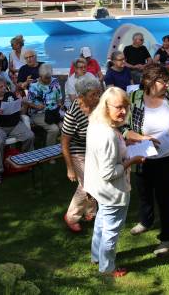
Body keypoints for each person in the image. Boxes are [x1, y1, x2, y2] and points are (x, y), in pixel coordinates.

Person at [124, 64, 169, 256]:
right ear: (150, 81)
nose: (167, 85)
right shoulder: (134, 98)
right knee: (144, 192)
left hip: (167, 156)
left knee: (165, 197)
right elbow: (123, 128)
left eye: (168, 81)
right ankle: (145, 221)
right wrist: (143, 138)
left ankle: (167, 237)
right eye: (163, 81)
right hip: (142, 155)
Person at [85, 87, 144, 277]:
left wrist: (126, 146)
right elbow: (109, 172)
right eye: (119, 107)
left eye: (126, 106)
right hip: (112, 191)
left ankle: (96, 257)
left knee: (101, 222)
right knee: (111, 231)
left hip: (99, 189)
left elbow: (104, 157)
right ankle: (107, 268)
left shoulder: (97, 123)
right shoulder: (108, 135)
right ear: (106, 106)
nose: (124, 111)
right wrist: (132, 161)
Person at [61, 77, 102, 232]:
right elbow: (64, 142)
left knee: (94, 181)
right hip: (78, 151)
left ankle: (90, 212)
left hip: (96, 150)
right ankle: (71, 216)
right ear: (81, 96)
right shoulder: (73, 113)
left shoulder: (98, 106)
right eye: (93, 95)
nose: (97, 97)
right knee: (88, 184)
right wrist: (70, 168)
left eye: (98, 93)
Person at [0, 76, 34, 184]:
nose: (4, 88)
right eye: (1, 87)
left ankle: (26, 161)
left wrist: (25, 104)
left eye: (5, 86)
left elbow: (21, 113)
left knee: (30, 136)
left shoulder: (10, 95)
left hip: (15, 124)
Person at [27, 64, 63, 146]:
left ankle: (62, 149)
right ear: (40, 76)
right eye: (46, 78)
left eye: (49, 77)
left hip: (54, 112)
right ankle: (49, 155)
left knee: (64, 127)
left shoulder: (55, 81)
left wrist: (59, 104)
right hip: (39, 113)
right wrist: (36, 106)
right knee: (54, 129)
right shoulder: (34, 85)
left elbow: (59, 97)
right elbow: (29, 102)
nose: (48, 80)